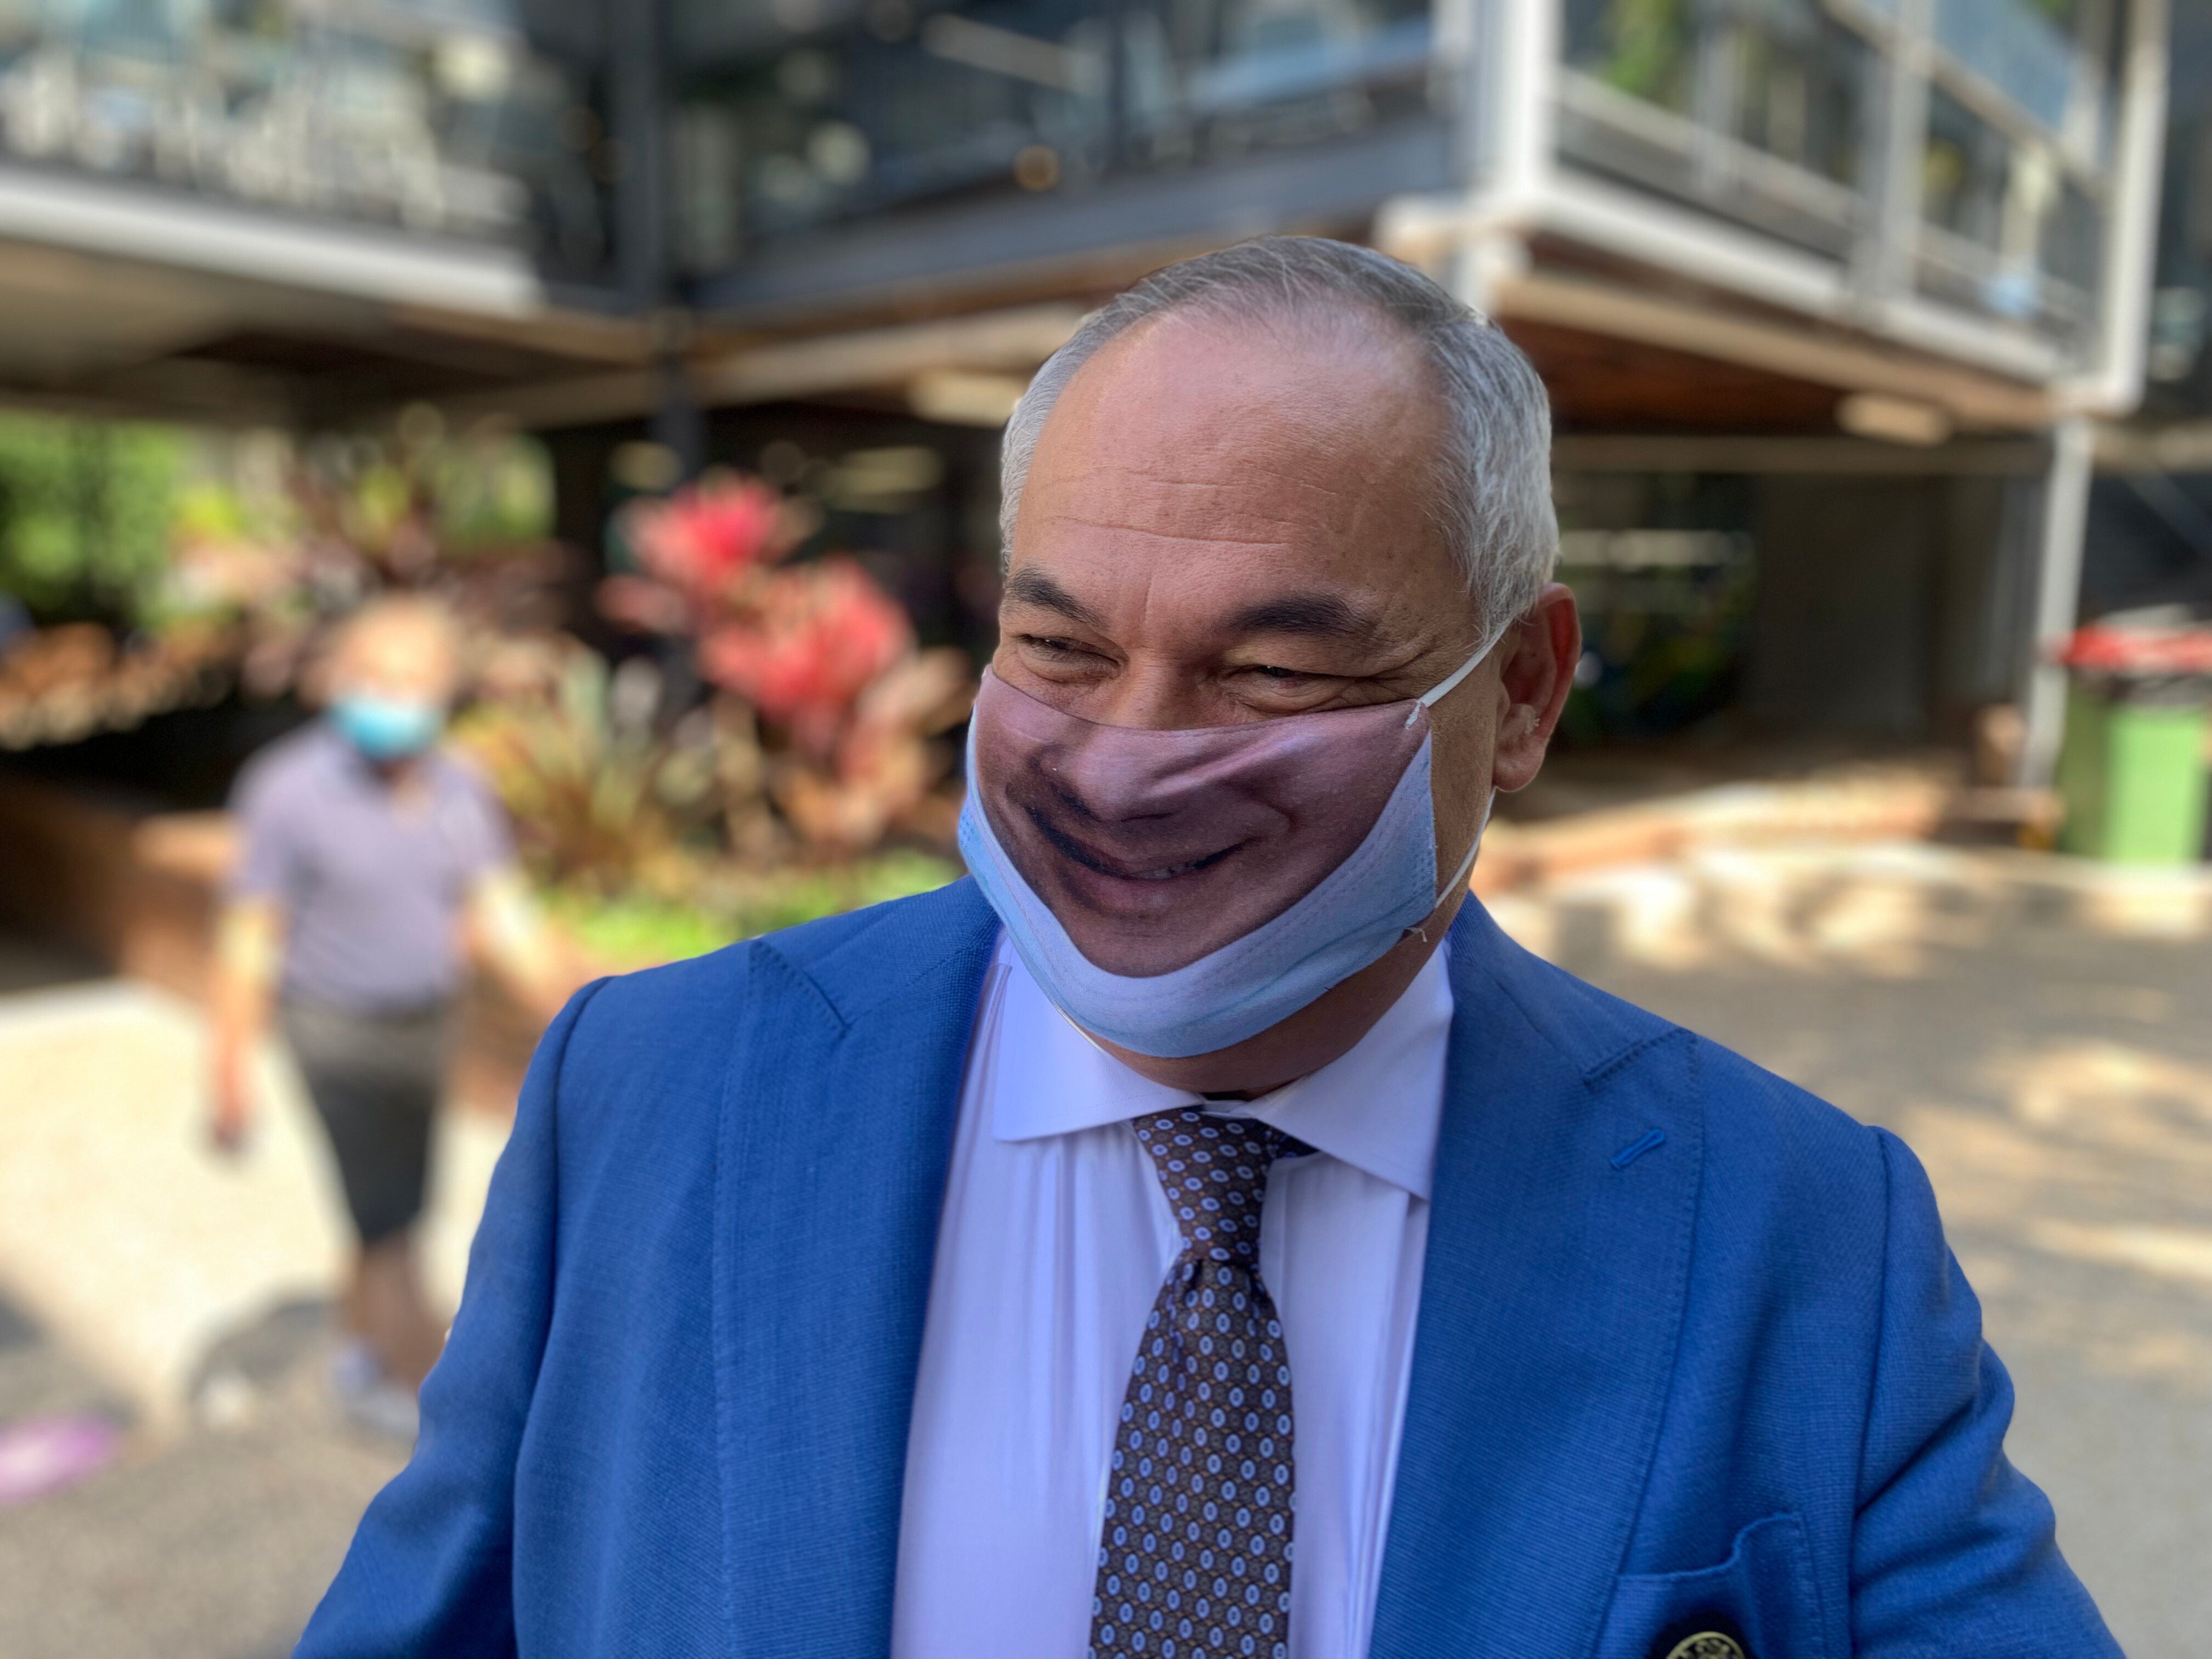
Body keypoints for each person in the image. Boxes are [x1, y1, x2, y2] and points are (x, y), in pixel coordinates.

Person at [297, 241, 2115, 1658]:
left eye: (1271, 670)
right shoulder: (656, 1093)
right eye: (1062, 650)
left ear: (1529, 691)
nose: (1122, 762)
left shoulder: (1796, 1230)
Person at [208, 595, 569, 1438]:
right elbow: (249, 935)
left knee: (387, 1203)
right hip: (336, 1031)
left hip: (425, 1023)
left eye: (414, 680)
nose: (393, 696)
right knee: (393, 1219)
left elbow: (502, 913)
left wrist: (592, 1006)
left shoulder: (458, 786)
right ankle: (420, 1397)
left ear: (445, 689)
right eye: (376, 676)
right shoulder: (287, 788)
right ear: (339, 679)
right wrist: (228, 1069)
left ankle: (358, 1345)